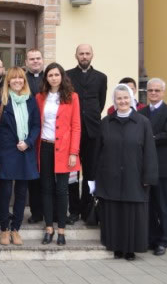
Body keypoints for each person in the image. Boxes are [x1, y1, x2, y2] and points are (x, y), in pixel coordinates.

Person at [94, 84, 158, 260]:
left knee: (132, 214)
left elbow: (150, 152)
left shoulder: (143, 122)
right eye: (119, 98)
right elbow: (98, 151)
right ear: (114, 101)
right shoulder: (106, 122)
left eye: (125, 98)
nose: (122, 101)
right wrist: (94, 178)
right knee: (113, 213)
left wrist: (148, 177)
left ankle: (130, 249)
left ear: (131, 100)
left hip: (134, 176)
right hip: (110, 176)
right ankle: (116, 246)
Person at [36, 62, 81, 246]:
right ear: (46, 78)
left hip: (64, 149)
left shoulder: (72, 97)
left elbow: (76, 126)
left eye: (56, 74)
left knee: (62, 190)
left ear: (62, 76)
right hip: (45, 147)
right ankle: (49, 228)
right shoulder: (40, 97)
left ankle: (61, 229)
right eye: (50, 75)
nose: (53, 78)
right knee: (46, 189)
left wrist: (74, 152)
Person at [0, 67, 40, 246]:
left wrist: (28, 142)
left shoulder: (31, 100)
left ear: (24, 81)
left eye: (20, 78)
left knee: (21, 193)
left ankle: (16, 229)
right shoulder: (0, 100)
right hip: (6, 152)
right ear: (8, 81)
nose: (17, 81)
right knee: (4, 193)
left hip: (25, 151)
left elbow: (36, 125)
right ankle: (4, 228)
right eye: (13, 78)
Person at [66, 44, 107, 224]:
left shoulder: (101, 77)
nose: (84, 56)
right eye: (81, 53)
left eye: (87, 53)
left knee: (91, 173)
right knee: (73, 173)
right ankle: (74, 210)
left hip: (93, 131)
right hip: (72, 131)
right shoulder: (67, 75)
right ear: (75, 55)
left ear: (92, 55)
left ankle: (88, 209)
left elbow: (101, 102)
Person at [139, 78, 167, 256]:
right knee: (149, 205)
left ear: (163, 92)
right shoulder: (142, 112)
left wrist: (148, 139)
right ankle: (151, 239)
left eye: (157, 90)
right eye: (150, 90)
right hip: (145, 167)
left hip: (162, 167)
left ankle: (163, 241)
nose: (153, 93)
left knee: (163, 206)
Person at [24, 49, 45, 224]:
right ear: (26, 62)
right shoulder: (22, 80)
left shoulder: (50, 78)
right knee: (33, 175)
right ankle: (36, 211)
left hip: (48, 133)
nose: (35, 61)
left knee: (47, 174)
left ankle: (49, 210)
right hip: (29, 133)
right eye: (32, 59)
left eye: (38, 58)